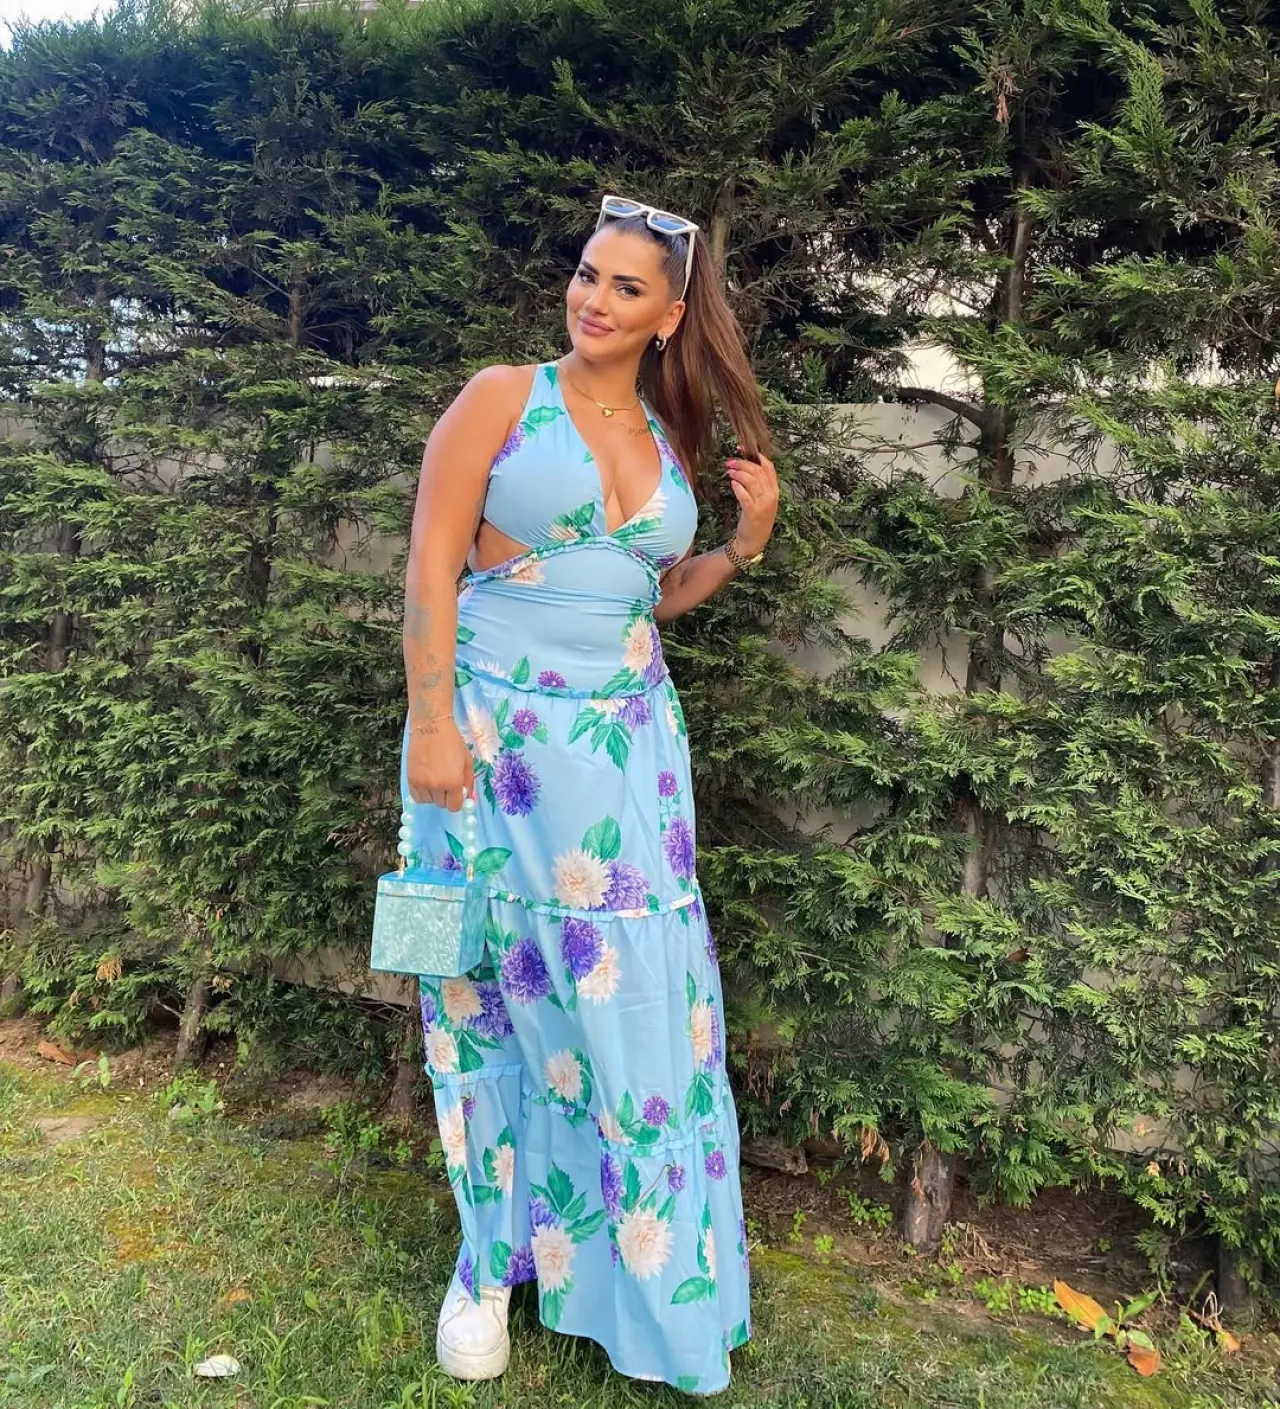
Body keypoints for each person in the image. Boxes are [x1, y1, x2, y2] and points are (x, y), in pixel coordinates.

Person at [398, 192, 778, 1396]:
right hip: (484, 742)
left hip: (626, 760)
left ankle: (635, 1273)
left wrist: (741, 547)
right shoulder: (499, 396)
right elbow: (428, 569)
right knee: (477, 994)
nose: (592, 299)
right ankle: (484, 1264)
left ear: (668, 315)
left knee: (633, 1010)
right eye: (584, 273)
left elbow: (642, 599)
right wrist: (428, 725)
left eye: (624, 287)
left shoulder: (666, 437)